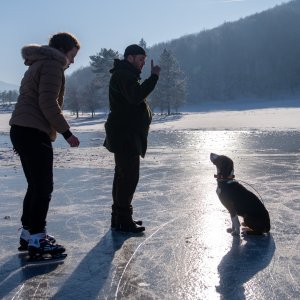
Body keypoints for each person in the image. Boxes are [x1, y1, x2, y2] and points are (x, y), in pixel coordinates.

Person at [9, 32, 80, 260]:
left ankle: (28, 233)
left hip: (21, 129)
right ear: (63, 51)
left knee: (35, 185)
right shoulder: (52, 65)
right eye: (72, 55)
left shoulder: (38, 63)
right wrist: (67, 133)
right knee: (43, 187)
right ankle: (38, 238)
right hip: (32, 130)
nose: (73, 61)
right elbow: (47, 102)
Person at [104, 44, 161, 233]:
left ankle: (119, 218)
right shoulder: (124, 75)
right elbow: (136, 96)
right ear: (130, 58)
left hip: (125, 133)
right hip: (125, 134)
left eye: (144, 61)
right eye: (140, 60)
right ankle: (123, 219)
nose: (143, 64)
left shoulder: (126, 75)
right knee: (128, 177)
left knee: (123, 176)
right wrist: (153, 78)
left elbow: (134, 99)